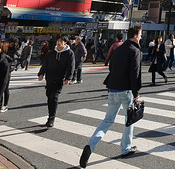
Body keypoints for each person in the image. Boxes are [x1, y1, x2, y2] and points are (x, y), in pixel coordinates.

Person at [80, 25, 143, 167]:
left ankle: (90, 145)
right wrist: (136, 92)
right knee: (129, 120)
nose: (140, 37)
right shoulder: (135, 51)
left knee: (107, 120)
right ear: (135, 36)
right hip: (126, 90)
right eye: (140, 35)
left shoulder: (119, 48)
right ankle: (125, 148)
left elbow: (112, 67)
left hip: (113, 89)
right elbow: (135, 74)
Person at [38, 36, 75, 127]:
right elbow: (45, 64)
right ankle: (50, 114)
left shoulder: (69, 53)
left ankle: (51, 118)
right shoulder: (51, 53)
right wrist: (41, 73)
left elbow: (71, 66)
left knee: (54, 97)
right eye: (58, 41)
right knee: (49, 96)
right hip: (49, 78)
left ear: (65, 43)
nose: (59, 43)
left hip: (59, 79)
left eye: (61, 41)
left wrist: (68, 77)